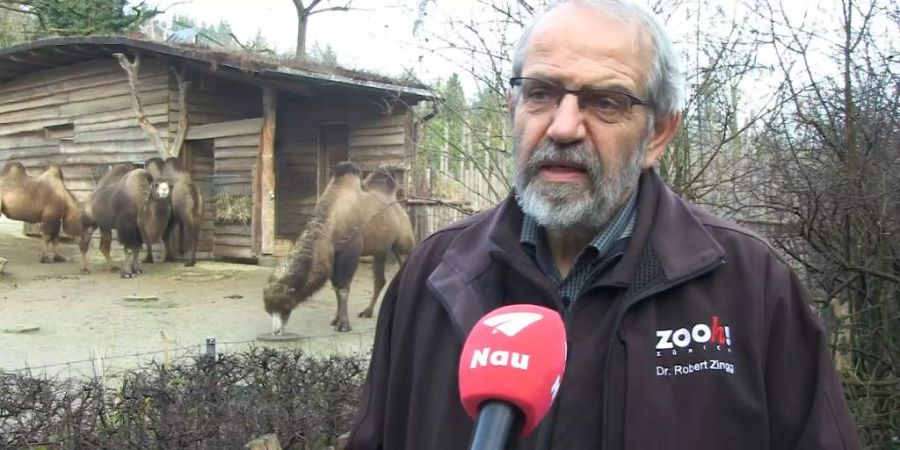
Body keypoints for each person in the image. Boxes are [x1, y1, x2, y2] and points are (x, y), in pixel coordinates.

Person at [346, 0, 860, 448]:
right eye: (541, 93)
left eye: (606, 101)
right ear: (514, 108)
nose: (564, 126)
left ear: (658, 133)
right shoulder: (434, 276)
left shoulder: (752, 287)